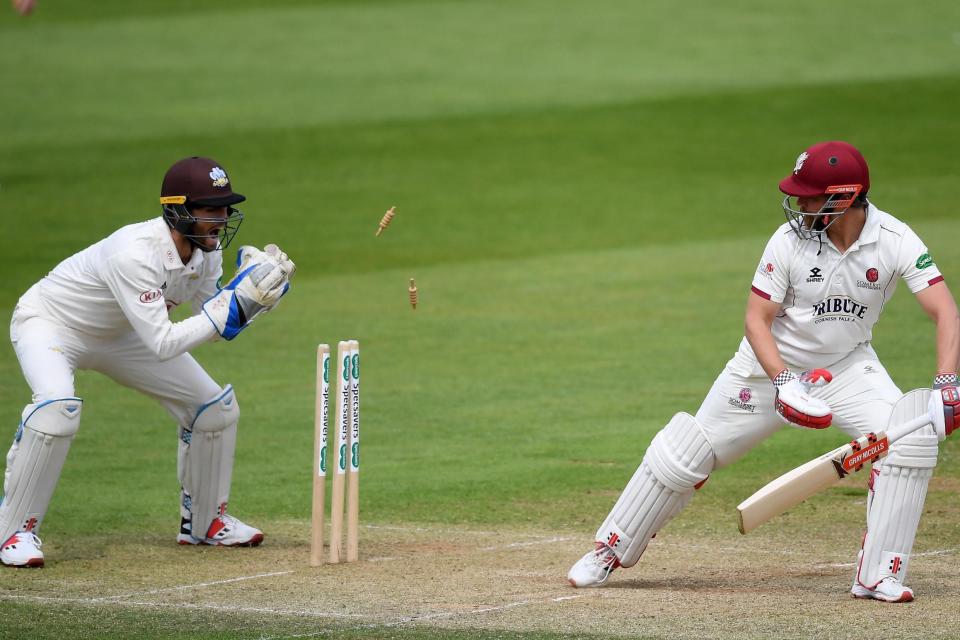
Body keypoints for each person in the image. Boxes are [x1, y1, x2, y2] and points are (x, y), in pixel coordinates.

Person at [567, 141, 960, 602]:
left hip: (848, 367)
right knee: (685, 452)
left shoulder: (895, 239)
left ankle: (879, 575)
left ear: (843, 198)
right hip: (764, 369)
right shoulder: (788, 240)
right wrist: (782, 381)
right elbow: (757, 319)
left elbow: (945, 311)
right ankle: (608, 550)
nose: (798, 204)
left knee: (909, 440)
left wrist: (947, 382)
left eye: (810, 196)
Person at [1, 156, 296, 568]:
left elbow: (208, 317)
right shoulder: (135, 253)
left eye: (224, 208)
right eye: (210, 209)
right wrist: (230, 309)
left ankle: (206, 524)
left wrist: (248, 305)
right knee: (57, 409)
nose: (222, 219)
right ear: (177, 210)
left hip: (125, 335)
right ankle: (14, 531)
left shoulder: (205, 251)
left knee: (214, 409)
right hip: (53, 325)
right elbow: (163, 342)